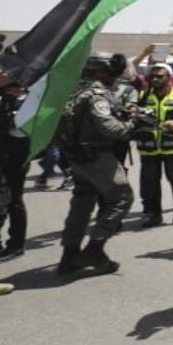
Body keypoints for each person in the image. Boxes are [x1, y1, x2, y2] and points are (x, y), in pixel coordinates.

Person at [57, 52, 136, 275]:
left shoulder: (75, 89)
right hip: (96, 156)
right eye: (111, 71)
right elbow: (108, 127)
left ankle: (69, 255)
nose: (115, 76)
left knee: (82, 202)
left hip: (77, 156)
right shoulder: (96, 94)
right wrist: (131, 125)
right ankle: (95, 248)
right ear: (100, 71)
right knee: (122, 197)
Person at [134, 61, 173, 226]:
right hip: (149, 149)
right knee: (149, 184)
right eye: (152, 76)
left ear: (169, 77)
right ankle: (152, 214)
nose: (155, 79)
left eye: (159, 76)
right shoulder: (144, 95)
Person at [0, 81, 31, 262]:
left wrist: (10, 117)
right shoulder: (0, 99)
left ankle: (15, 245)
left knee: (11, 200)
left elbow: (21, 131)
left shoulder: (27, 103)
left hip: (16, 156)